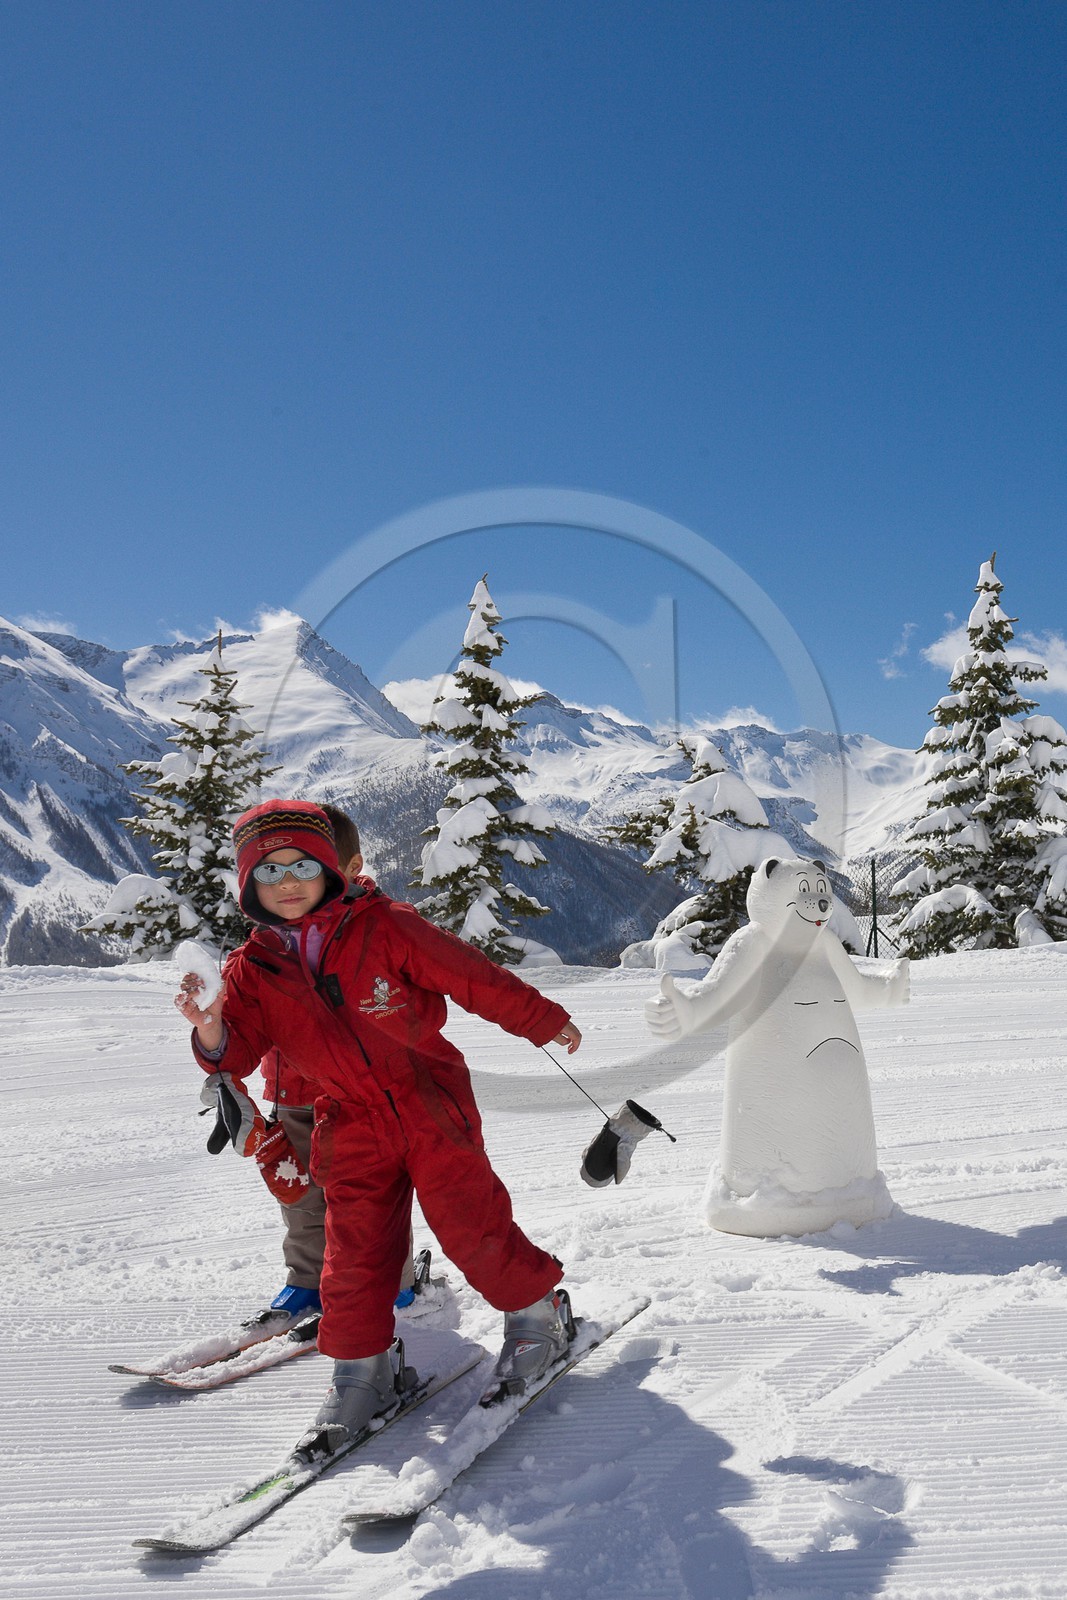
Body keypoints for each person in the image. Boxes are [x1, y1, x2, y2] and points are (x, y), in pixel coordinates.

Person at [175, 798, 582, 1456]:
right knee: (355, 1252)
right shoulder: (249, 972)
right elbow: (240, 1051)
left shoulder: (385, 926)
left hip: (427, 1097)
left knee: (468, 1222)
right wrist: (211, 1028)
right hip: (346, 1115)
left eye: (302, 864)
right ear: (248, 885)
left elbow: (469, 975)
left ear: (333, 869)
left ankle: (539, 1318)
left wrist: (539, 1019)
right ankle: (363, 1369)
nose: (287, 882)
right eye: (268, 871)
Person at [244, 803, 420, 1334]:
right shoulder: (271, 937)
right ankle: (306, 1278)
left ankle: (392, 1279)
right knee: (299, 1194)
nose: (299, 882)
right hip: (292, 1091)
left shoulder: (374, 929)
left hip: (360, 1097)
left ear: (346, 866)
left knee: (370, 1196)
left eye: (315, 867)